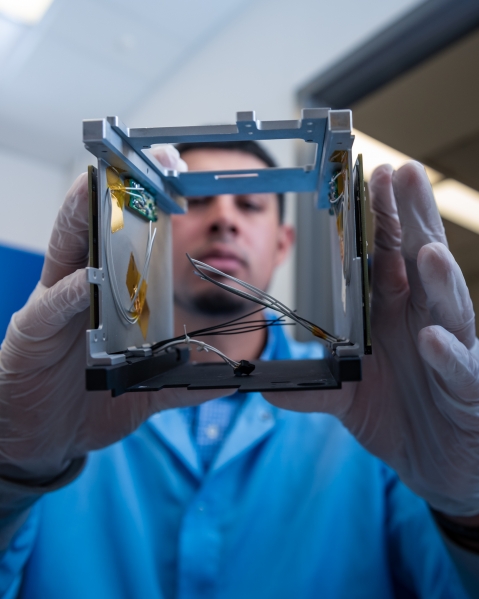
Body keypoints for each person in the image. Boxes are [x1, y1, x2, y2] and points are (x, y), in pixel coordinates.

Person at [0, 139, 478, 598]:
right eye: (195, 201)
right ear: (153, 235)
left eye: (249, 205)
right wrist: (11, 471)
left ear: (282, 243)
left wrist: (469, 516)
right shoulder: (68, 398)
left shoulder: (370, 402)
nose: (224, 218)